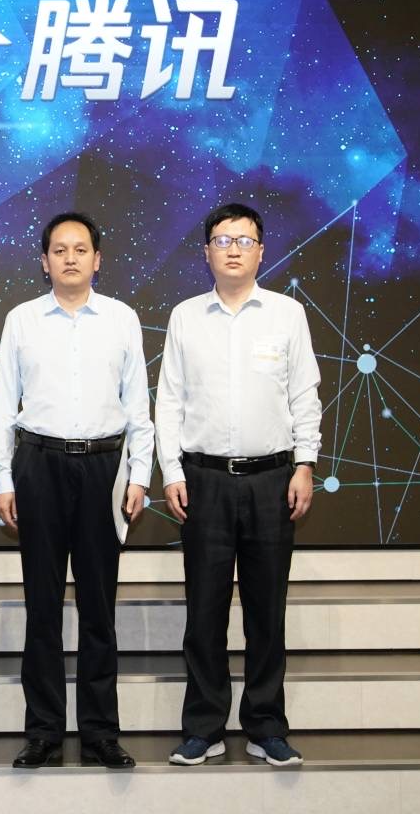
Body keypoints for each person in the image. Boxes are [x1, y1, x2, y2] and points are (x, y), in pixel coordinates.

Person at [0, 212, 155, 770]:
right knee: (43, 606)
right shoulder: (22, 320)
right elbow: (2, 405)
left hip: (105, 468)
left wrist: (139, 474)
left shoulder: (122, 319)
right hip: (39, 465)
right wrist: (4, 479)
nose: (70, 258)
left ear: (97, 259)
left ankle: (101, 732)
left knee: (99, 607)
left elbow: (138, 407)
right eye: (59, 250)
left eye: (81, 249)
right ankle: (44, 732)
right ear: (44, 261)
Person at [156, 202, 321, 768]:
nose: (233, 249)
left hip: (273, 479)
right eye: (223, 240)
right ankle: (203, 728)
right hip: (203, 481)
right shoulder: (185, 317)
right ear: (206, 252)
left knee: (265, 611)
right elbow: (169, 401)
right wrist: (172, 471)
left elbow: (304, 395)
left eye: (244, 240)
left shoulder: (287, 314)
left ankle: (266, 726)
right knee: (204, 612)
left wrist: (305, 465)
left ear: (261, 251)